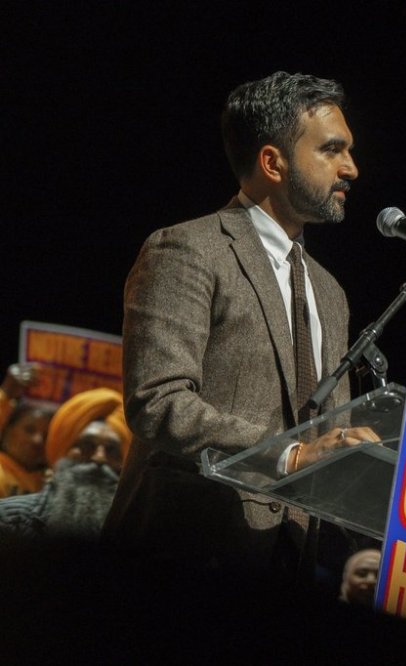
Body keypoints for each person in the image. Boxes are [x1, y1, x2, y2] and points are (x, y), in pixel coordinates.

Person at [103, 71, 378, 578]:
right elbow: (158, 402)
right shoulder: (187, 250)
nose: (351, 169)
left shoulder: (331, 294)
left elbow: (328, 441)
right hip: (186, 553)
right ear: (273, 162)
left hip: (294, 564)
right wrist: (288, 455)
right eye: (332, 150)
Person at [0, 388, 131, 541]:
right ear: (63, 450)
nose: (99, 458)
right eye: (86, 445)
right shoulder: (8, 520)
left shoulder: (134, 535)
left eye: (112, 450)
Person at [0, 362, 54, 498]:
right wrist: (6, 392)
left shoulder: (51, 483)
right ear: (7, 429)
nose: (37, 441)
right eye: (29, 430)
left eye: (46, 435)